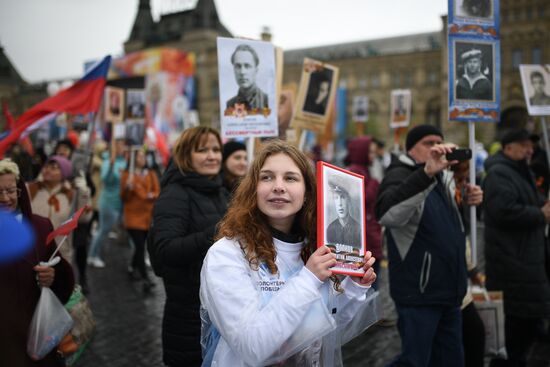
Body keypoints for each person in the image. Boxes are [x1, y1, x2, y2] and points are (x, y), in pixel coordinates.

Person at [199, 140, 379, 366]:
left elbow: (325, 325)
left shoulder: (314, 248)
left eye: (290, 178)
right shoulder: (226, 254)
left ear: (306, 193)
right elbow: (252, 347)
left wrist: (355, 286)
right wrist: (309, 278)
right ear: (253, 189)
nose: (278, 186)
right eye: (267, 177)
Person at [375, 124, 483, 367]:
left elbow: (445, 224)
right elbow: (388, 214)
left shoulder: (443, 177)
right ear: (411, 149)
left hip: (450, 291)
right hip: (419, 293)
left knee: (451, 360)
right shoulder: (399, 173)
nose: (436, 147)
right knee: (415, 361)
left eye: (439, 141)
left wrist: (466, 200)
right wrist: (426, 174)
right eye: (428, 142)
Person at [148, 126, 229, 366]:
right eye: (202, 150)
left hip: (219, 312)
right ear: (186, 155)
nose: (212, 156)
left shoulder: (220, 190)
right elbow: (165, 250)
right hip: (188, 319)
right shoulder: (175, 194)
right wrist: (215, 234)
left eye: (216, 149)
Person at [483, 129, 550, 367]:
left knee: (526, 328)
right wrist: (540, 213)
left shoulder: (521, 171)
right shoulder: (500, 173)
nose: (529, 150)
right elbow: (504, 211)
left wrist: (542, 205)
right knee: (514, 334)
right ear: (508, 148)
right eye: (523, 145)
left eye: (530, 145)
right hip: (512, 263)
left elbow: (529, 202)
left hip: (526, 259)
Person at [0, 158, 75, 367]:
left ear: (19, 191)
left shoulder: (41, 227)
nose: (5, 198)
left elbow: (61, 275)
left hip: (37, 332)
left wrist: (52, 277)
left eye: (11, 191)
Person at [27, 156, 92, 264]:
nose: (47, 169)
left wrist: (84, 193)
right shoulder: (31, 189)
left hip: (60, 252)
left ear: (64, 173)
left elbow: (83, 219)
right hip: (32, 250)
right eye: (46, 166)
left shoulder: (71, 193)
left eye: (54, 167)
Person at [345, 136, 383, 290]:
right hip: (364, 237)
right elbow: (360, 199)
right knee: (368, 285)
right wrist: (374, 183)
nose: (373, 156)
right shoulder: (355, 172)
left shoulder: (365, 170)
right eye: (370, 152)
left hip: (369, 234)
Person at [120, 148, 160, 292]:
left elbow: (157, 191)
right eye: (140, 156)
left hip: (147, 217)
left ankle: (132, 268)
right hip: (132, 217)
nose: (143, 158)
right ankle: (145, 278)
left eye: (144, 156)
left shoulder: (151, 173)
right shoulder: (127, 175)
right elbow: (123, 198)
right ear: (133, 159)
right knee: (140, 247)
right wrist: (128, 188)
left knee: (140, 246)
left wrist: (150, 195)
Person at [87, 138, 127, 268]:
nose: (122, 148)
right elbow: (106, 179)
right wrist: (110, 165)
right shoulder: (107, 161)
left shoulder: (124, 162)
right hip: (108, 201)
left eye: (123, 146)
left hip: (119, 202)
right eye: (119, 146)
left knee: (105, 230)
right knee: (103, 230)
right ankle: (93, 256)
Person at [225, 44, 268, 111]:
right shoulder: (229, 105)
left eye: (247, 66)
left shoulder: (268, 101)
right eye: (238, 66)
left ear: (256, 70)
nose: (242, 72)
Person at [325, 176, 362, 249]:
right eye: (336, 198)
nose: (339, 203)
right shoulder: (330, 229)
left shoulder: (358, 229)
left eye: (343, 197)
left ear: (348, 200)